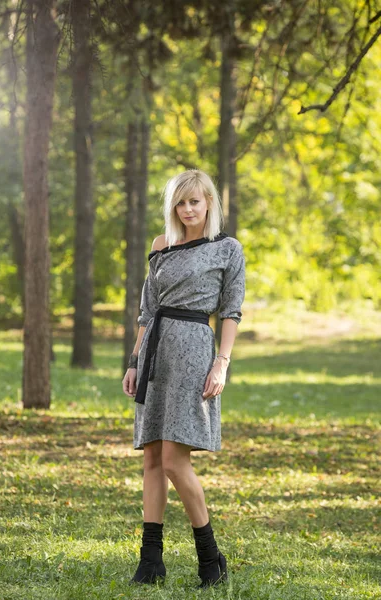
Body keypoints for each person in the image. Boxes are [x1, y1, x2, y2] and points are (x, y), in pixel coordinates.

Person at [122, 169, 246, 588]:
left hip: (194, 350)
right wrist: (135, 360)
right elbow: (147, 309)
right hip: (156, 351)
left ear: (209, 202)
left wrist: (222, 362)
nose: (187, 209)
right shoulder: (161, 246)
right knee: (152, 458)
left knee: (176, 460)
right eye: (180, 202)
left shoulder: (227, 249)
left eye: (194, 201)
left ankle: (210, 558)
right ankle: (150, 561)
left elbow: (230, 310)